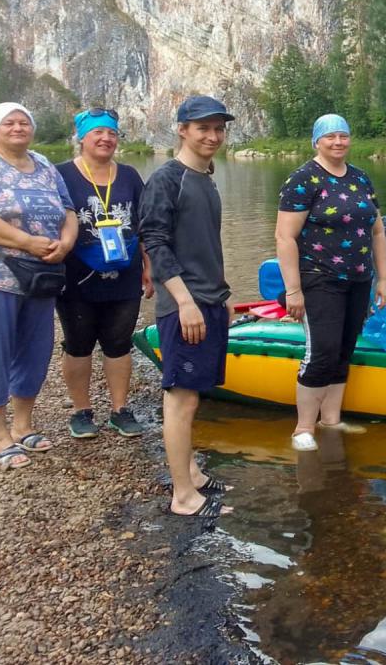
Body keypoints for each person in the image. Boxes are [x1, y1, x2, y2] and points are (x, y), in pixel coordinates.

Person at [0, 103, 78, 470]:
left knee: (36, 350)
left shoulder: (44, 165)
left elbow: (68, 211)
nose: (18, 127)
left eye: (25, 121)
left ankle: (22, 425)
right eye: (9, 122)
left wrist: (67, 243)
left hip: (40, 273)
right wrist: (27, 242)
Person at [140, 95, 236, 517]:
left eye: (218, 128)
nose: (213, 136)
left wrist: (222, 295)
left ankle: (193, 473)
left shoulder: (206, 178)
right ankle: (182, 496)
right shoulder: (166, 179)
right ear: (182, 129)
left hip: (208, 300)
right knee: (180, 399)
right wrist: (185, 302)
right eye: (203, 128)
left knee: (193, 395)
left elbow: (204, 246)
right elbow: (155, 243)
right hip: (184, 306)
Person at [276, 114, 386, 452]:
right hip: (319, 277)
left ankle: (331, 420)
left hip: (358, 278)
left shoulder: (360, 178)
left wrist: (383, 279)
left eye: (344, 135)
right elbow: (285, 237)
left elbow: (378, 231)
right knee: (322, 352)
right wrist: (293, 289)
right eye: (330, 137)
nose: (338, 142)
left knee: (344, 349)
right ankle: (302, 428)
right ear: (317, 141)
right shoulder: (304, 179)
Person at [56, 108, 153, 440]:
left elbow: (143, 224)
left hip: (125, 275)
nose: (105, 138)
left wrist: (148, 266)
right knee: (79, 343)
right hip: (76, 276)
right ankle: (81, 411)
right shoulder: (62, 175)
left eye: (112, 133)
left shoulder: (128, 176)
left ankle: (119, 409)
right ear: (81, 137)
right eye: (97, 132)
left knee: (119, 343)